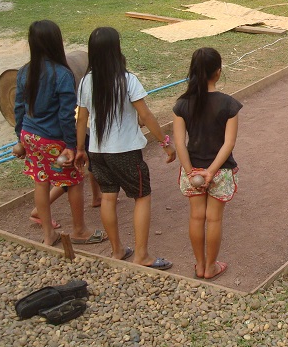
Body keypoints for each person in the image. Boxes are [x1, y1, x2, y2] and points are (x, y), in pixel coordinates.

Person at [74, 27, 176, 269]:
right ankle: (142, 254)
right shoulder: (127, 80)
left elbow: (81, 119)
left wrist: (80, 148)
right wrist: (165, 142)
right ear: (116, 50)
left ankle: (117, 249)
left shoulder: (86, 82)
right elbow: (146, 115)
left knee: (109, 197)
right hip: (125, 152)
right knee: (141, 196)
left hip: (97, 151)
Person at [13, 20, 101, 247]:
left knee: (41, 182)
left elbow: (19, 108)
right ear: (56, 42)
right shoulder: (62, 74)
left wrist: (20, 139)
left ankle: (47, 233)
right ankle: (80, 230)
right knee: (73, 182)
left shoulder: (24, 71)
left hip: (30, 137)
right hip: (54, 140)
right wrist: (72, 146)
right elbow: (65, 115)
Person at [172, 48, 241, 280]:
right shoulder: (229, 105)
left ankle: (200, 265)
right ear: (218, 72)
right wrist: (211, 172)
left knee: (196, 217)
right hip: (219, 171)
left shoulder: (182, 104)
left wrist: (191, 171)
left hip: (192, 171)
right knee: (214, 219)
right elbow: (228, 143)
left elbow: (180, 143)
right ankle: (211, 267)